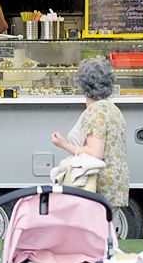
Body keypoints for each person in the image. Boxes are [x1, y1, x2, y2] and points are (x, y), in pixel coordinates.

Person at [49, 58, 130, 208]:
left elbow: (94, 154)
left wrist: (63, 144)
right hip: (116, 185)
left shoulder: (95, 112)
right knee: (107, 230)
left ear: (83, 85)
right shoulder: (113, 109)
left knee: (93, 231)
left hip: (97, 188)